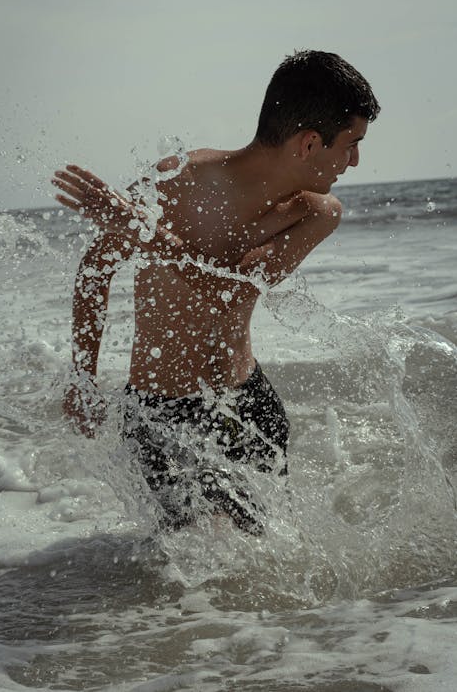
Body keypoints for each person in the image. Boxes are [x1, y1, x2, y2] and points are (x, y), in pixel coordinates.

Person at [52, 50, 380, 535]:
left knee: (260, 576)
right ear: (310, 143)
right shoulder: (179, 180)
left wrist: (151, 237)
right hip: (159, 413)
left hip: (247, 404)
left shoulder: (317, 212)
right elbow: (96, 268)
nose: (354, 160)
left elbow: (231, 290)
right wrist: (81, 378)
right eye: (351, 143)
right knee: (186, 586)